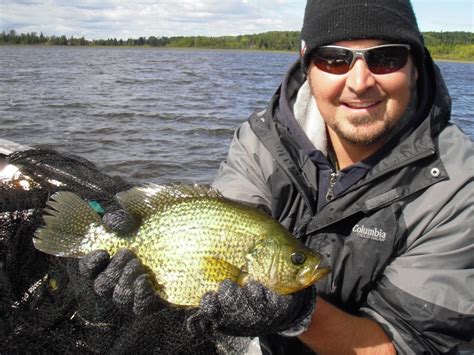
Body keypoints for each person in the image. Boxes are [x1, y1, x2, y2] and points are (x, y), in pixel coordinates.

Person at [186, 0, 474, 354]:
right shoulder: (261, 140)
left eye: (386, 58)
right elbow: (211, 238)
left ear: (415, 67)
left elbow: (405, 345)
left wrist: (300, 312)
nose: (360, 82)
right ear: (308, 68)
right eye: (335, 59)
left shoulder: (458, 187)